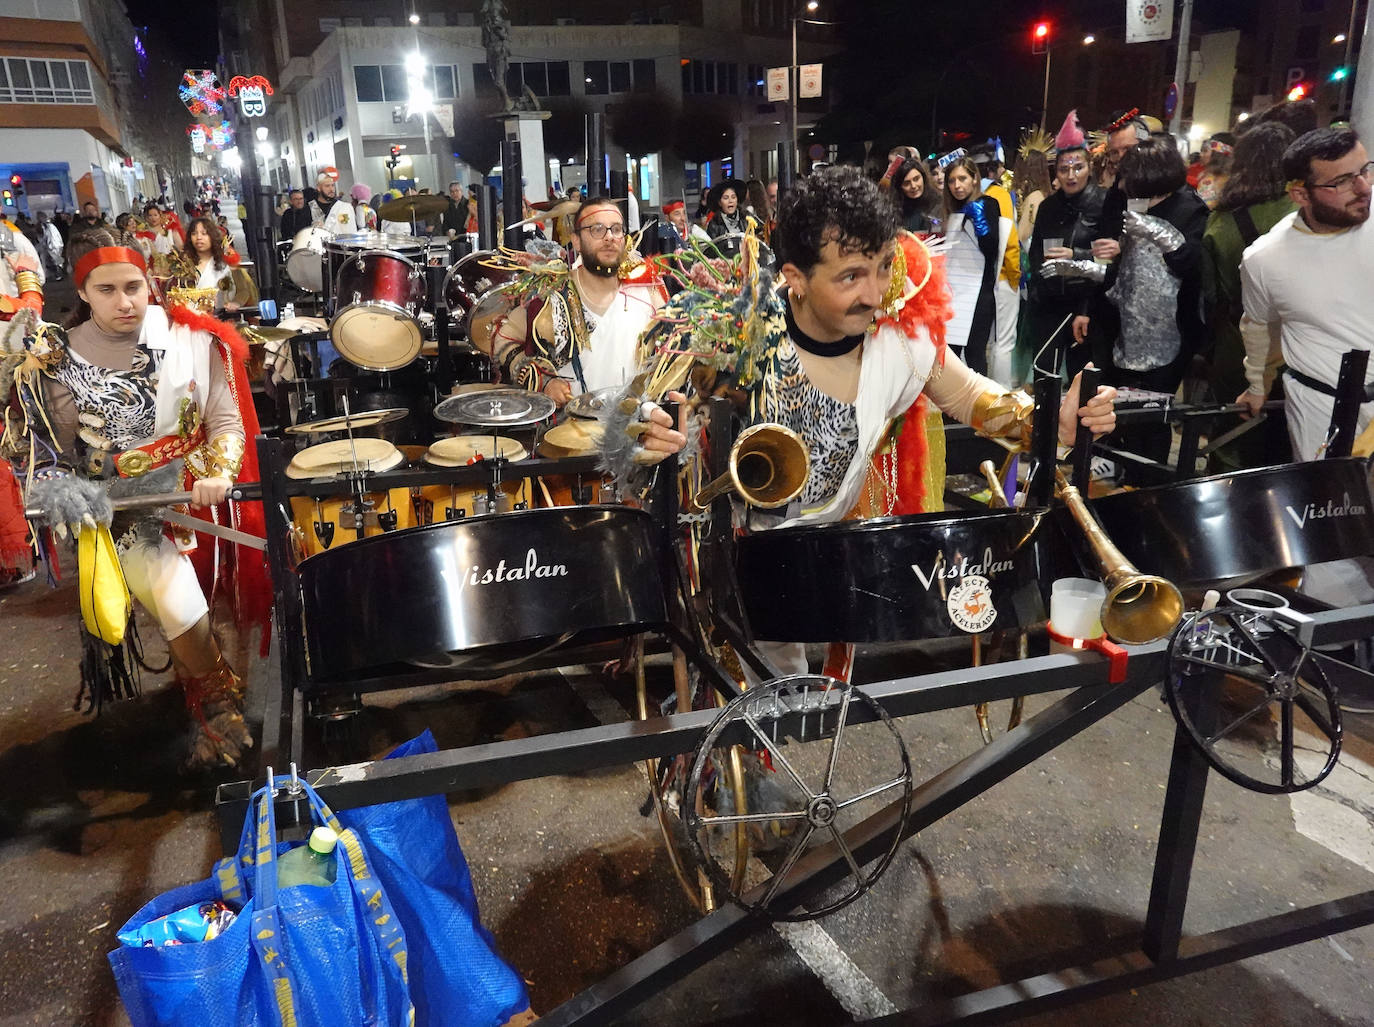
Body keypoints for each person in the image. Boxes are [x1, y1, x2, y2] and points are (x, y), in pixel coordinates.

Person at [624, 165, 1115, 674]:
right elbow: (640, 416)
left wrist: (1051, 422)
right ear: (794, 276)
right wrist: (651, 431)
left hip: (833, 552)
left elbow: (969, 394)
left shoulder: (901, 339)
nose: (875, 292)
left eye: (882, 267)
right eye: (850, 276)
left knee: (807, 707)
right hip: (728, 556)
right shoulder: (731, 338)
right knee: (744, 703)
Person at [9, 227, 263, 768]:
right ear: (82, 292)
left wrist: (218, 468)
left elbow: (225, 419)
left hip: (196, 488)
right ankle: (216, 702)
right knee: (177, 604)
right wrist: (64, 491)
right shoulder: (52, 361)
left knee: (216, 600)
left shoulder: (194, 336)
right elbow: (45, 455)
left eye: (134, 286)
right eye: (107, 290)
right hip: (120, 505)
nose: (125, 302)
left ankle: (208, 681)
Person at [1237, 127, 1374, 615]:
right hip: (1318, 402)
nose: (1362, 188)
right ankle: (1335, 652)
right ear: (1300, 193)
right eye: (1342, 181)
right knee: (1332, 528)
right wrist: (1257, 384)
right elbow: (1257, 326)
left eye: (1365, 170)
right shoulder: (1265, 258)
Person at [489, 196, 666, 407]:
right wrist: (542, 380)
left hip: (638, 430)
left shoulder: (648, 289)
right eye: (597, 229)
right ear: (577, 241)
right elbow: (502, 337)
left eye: (616, 229)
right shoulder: (552, 293)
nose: (609, 237)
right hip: (570, 432)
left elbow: (677, 346)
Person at [1200, 122, 1295, 470]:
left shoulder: (1220, 220)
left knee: (1231, 438)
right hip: (1294, 345)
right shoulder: (1301, 213)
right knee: (1285, 440)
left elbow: (1210, 295)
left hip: (1234, 343)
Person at [1028, 112, 1108, 379]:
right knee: (1043, 378)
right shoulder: (1048, 206)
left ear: (1090, 167)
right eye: (1064, 169)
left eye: (1078, 167)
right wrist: (1040, 293)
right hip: (1049, 308)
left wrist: (1076, 256)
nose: (1071, 175)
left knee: (1082, 383)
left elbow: (1109, 261)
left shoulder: (1104, 202)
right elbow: (1036, 253)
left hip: (1085, 306)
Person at [939, 154, 1005, 376]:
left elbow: (991, 249)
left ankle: (979, 409)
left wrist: (980, 222)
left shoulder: (988, 204)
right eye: (951, 181)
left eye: (962, 179)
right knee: (950, 356)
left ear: (974, 179)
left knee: (976, 355)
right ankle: (951, 411)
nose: (957, 185)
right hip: (952, 292)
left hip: (979, 293)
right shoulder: (950, 211)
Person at [971, 145, 1023, 386]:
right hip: (1001, 277)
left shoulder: (969, 196)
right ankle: (1002, 397)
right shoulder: (999, 195)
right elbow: (1010, 241)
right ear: (993, 169)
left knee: (985, 343)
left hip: (978, 281)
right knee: (1003, 342)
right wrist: (1015, 277)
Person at [183, 216, 237, 313]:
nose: (199, 237)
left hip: (217, 318)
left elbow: (230, 294)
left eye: (204, 233)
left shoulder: (222, 265)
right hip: (189, 318)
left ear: (212, 237)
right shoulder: (183, 264)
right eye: (194, 233)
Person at [894, 157, 940, 235]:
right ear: (900, 187)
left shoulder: (939, 203)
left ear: (923, 178)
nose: (913, 186)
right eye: (907, 183)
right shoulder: (896, 210)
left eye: (916, 179)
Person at [308, 170, 354, 235]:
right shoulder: (310, 207)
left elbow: (348, 229)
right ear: (319, 188)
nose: (331, 189)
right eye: (327, 186)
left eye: (332, 185)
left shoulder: (343, 207)